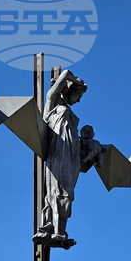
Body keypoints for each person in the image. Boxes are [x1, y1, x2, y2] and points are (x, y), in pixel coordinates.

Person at [34, 70, 87, 247]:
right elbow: (65, 74)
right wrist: (73, 78)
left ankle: (60, 231)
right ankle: (53, 228)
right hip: (58, 152)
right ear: (70, 89)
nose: (78, 100)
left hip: (72, 156)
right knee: (56, 190)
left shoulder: (69, 112)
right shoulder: (53, 102)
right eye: (78, 95)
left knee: (68, 195)